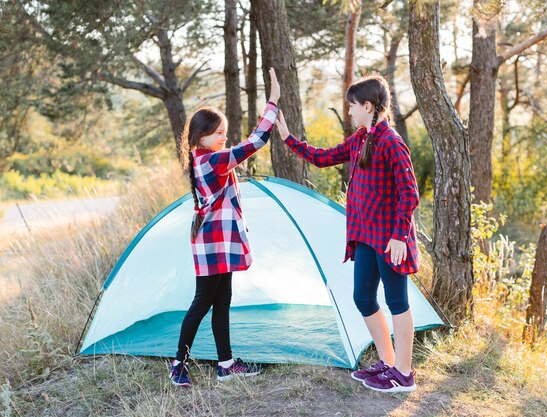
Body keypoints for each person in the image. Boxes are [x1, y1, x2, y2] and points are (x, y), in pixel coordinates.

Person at [276, 75, 419, 393]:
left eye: (353, 106)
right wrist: (287, 137)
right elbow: (322, 158)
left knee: (397, 301)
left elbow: (409, 194)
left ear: (367, 106)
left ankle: (404, 375)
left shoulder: (391, 142)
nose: (350, 111)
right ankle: (388, 362)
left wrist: (398, 236)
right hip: (366, 236)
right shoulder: (360, 139)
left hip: (391, 239)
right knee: (363, 298)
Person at [169, 68, 281, 387]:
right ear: (200, 135)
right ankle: (179, 363)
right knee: (203, 301)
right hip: (213, 243)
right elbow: (256, 141)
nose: (223, 139)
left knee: (221, 301)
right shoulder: (211, 161)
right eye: (218, 133)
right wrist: (272, 102)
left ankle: (226, 363)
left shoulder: (201, 159)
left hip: (216, 241)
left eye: (224, 134)